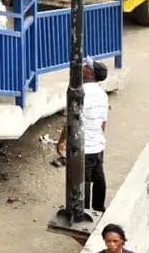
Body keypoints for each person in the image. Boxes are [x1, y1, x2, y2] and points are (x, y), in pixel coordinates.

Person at [57, 58, 110, 211]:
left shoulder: (81, 93)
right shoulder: (102, 94)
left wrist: (61, 142)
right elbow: (103, 123)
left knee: (82, 181)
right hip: (98, 146)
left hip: (83, 148)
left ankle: (82, 212)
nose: (83, 67)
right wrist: (97, 139)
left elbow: (72, 121)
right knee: (99, 178)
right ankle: (99, 209)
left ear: (90, 73)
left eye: (86, 66)